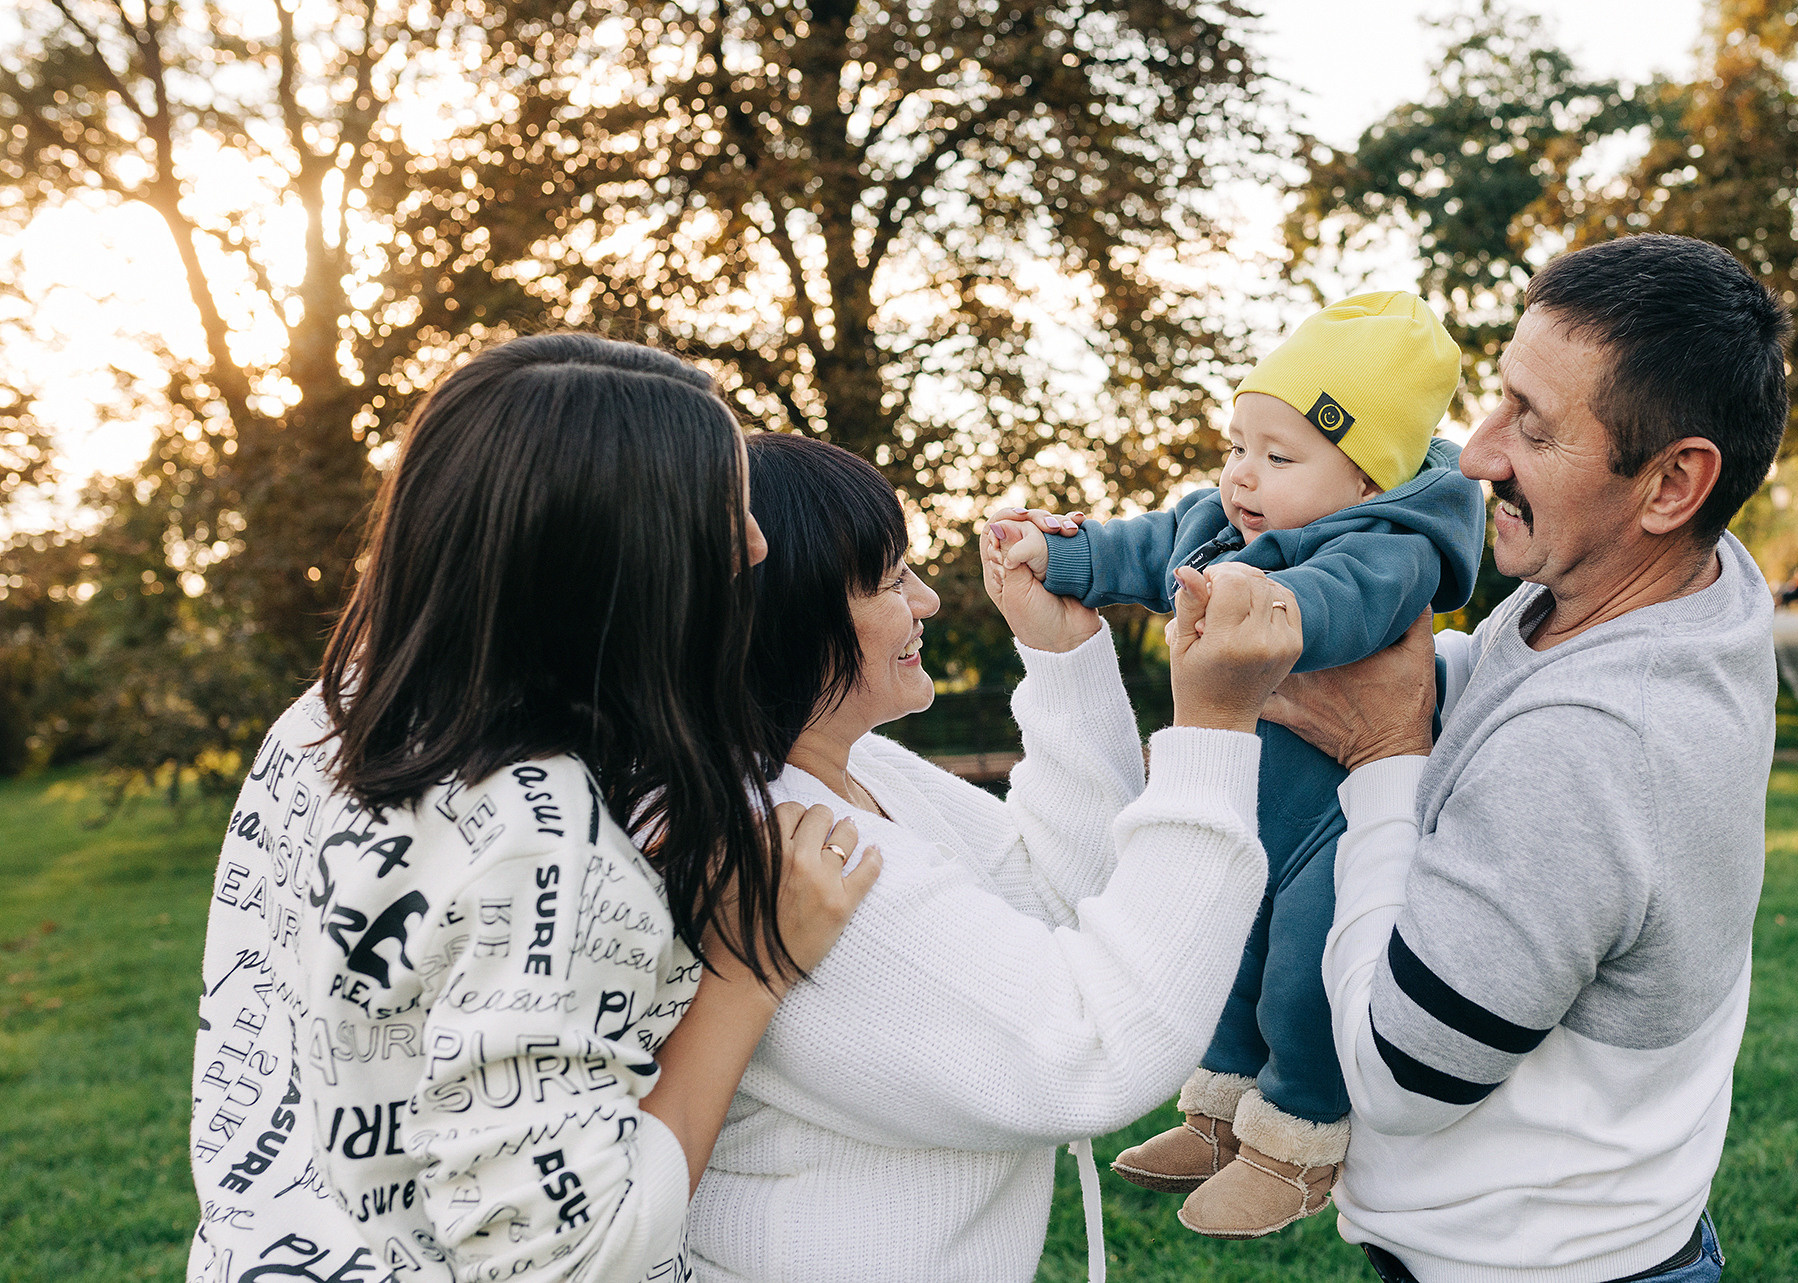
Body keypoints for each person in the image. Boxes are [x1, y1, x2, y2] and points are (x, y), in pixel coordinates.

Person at [187, 335, 879, 1283]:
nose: (757, 545)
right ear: (617, 557)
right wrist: (748, 969)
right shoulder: (543, 836)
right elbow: (576, 1256)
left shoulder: (333, 714)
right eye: (723, 516)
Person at [1263, 234, 1791, 1282]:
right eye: (1499, 398)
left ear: (1672, 482)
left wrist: (1382, 756)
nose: (1475, 454)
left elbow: (1396, 1075)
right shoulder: (1676, 586)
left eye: (1533, 428)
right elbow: (1518, 698)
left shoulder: (1594, 748)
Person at [685, 432, 1303, 1283]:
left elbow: (1058, 900)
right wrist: (1215, 728)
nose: (929, 599)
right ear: (789, 614)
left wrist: (1066, 659)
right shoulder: (785, 844)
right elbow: (1092, 1045)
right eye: (890, 578)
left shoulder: (847, 766)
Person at [987, 291, 1486, 1239]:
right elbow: (1142, 548)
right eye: (1237, 444)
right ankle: (1217, 1114)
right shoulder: (1223, 522)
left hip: (1334, 823)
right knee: (1225, 956)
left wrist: (1267, 601)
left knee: (1300, 978)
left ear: (1368, 478)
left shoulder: (1392, 548)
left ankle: (1294, 1143)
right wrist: (1061, 553)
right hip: (1244, 802)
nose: (1241, 475)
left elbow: (1335, 603)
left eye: (1278, 456)